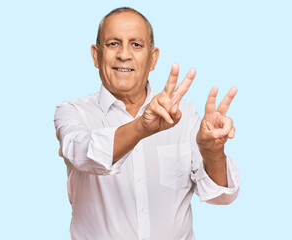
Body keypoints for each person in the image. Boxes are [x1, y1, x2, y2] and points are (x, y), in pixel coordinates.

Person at [54, 7, 240, 240]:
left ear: (153, 59)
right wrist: (142, 127)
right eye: (113, 44)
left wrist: (213, 151)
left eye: (136, 45)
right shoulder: (72, 112)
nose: (124, 54)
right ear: (96, 55)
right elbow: (83, 153)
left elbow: (220, 196)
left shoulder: (185, 115)